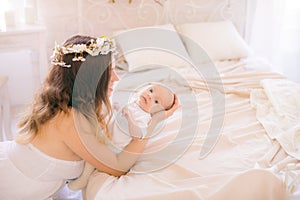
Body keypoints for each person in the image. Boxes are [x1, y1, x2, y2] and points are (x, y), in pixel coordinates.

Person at [0, 35, 179, 199]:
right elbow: (117, 167)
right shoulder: (70, 119)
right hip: (13, 184)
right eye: (110, 72)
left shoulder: (68, 99)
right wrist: (153, 123)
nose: (116, 79)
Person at [68, 83, 176, 190]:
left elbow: (137, 135)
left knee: (92, 157)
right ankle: (73, 168)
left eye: (156, 101)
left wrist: (130, 119)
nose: (149, 96)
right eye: (151, 90)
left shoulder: (144, 117)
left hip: (113, 147)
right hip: (106, 135)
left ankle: (84, 178)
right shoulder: (134, 102)